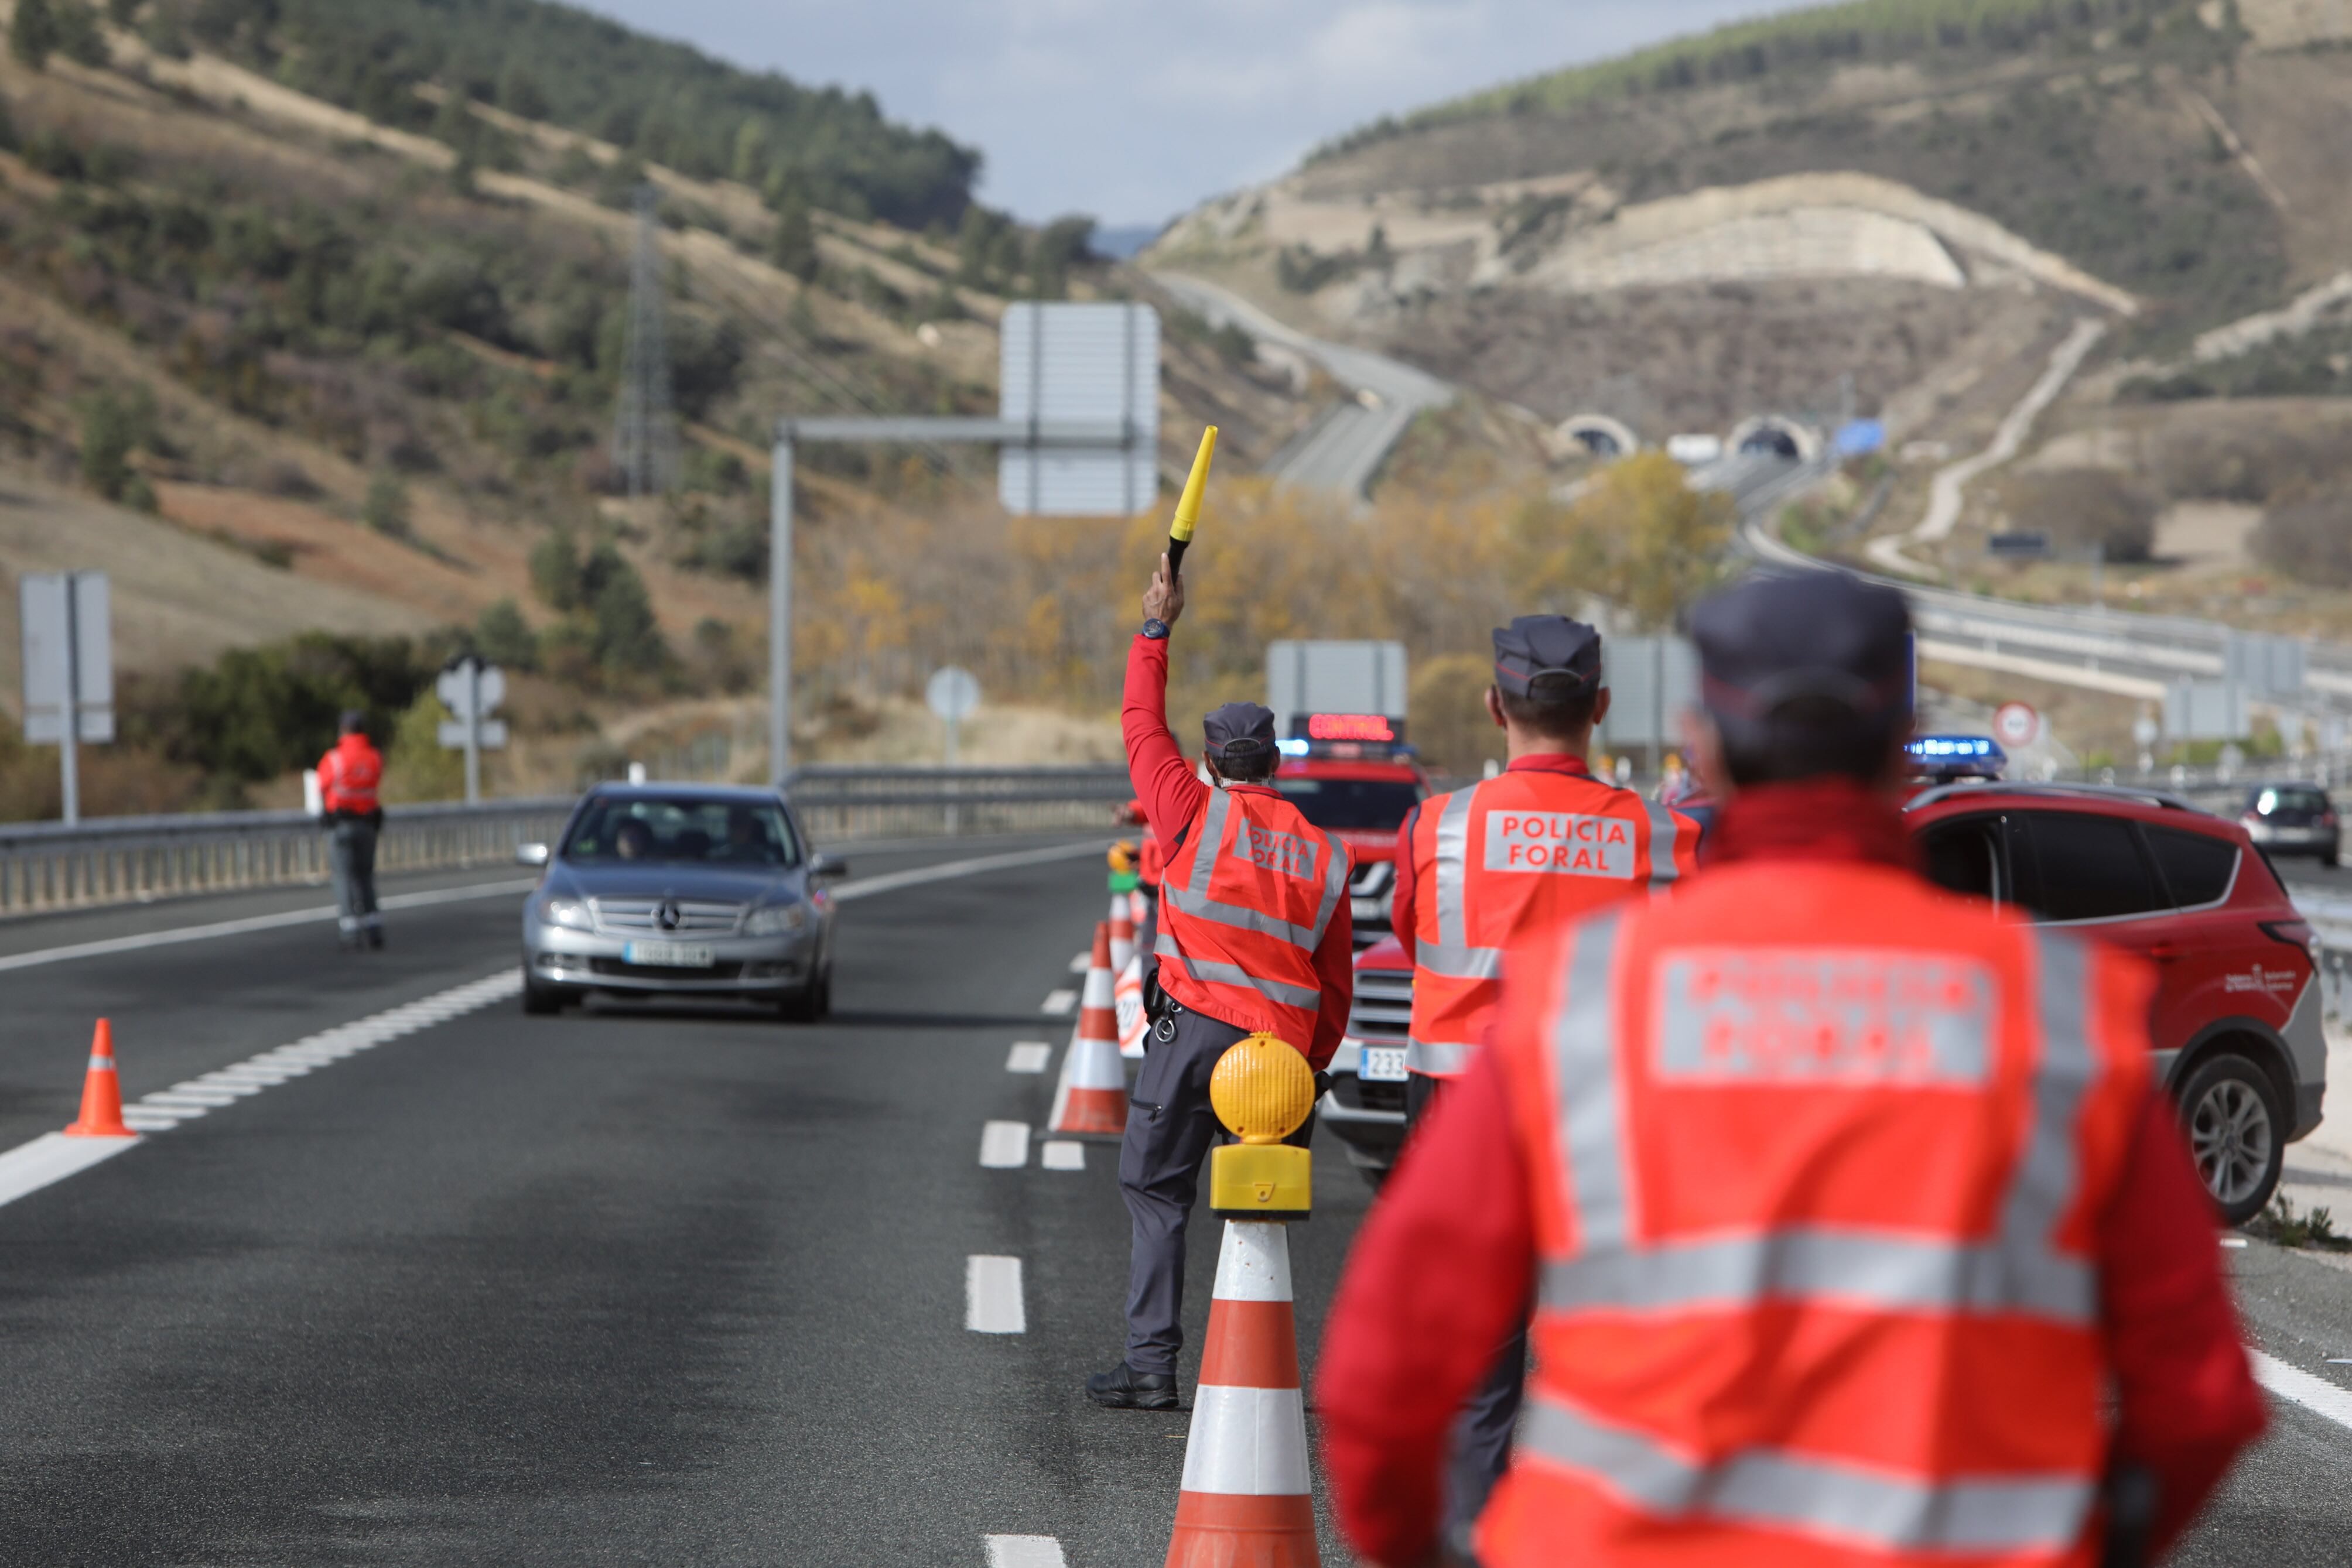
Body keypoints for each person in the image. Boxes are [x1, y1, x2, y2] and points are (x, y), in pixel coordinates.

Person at [1317, 571, 2265, 1568]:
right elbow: (2198, 1395)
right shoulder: (2057, 1014)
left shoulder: (1579, 1006)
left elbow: (1382, 1378)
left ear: (1704, 741)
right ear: (1904, 738)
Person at [1386, 615, 1698, 1543]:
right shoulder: (1663, 836)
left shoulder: (1438, 826)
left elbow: (1415, 943)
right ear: (1599, 707)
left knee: (1478, 1359)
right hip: (1605, 1116)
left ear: (1494, 705)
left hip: (1463, 1107)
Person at [1087, 552, 1356, 1412]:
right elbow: (1337, 982)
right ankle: (1258, 1375)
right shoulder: (1324, 851)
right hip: (1280, 1050)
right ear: (1276, 764)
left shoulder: (1187, 810)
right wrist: (1312, 1066)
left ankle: (1152, 1365)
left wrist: (1156, 627)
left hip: (1193, 1034)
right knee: (1261, 1210)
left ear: (1210, 763)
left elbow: (1138, 720)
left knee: (1157, 1189)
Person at [316, 710, 385, 951]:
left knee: (344, 877)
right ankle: (374, 927)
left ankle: (351, 931)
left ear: (343, 730)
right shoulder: (375, 757)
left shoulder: (334, 758)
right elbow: (375, 784)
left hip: (341, 826)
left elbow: (321, 786)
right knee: (366, 876)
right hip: (367, 824)